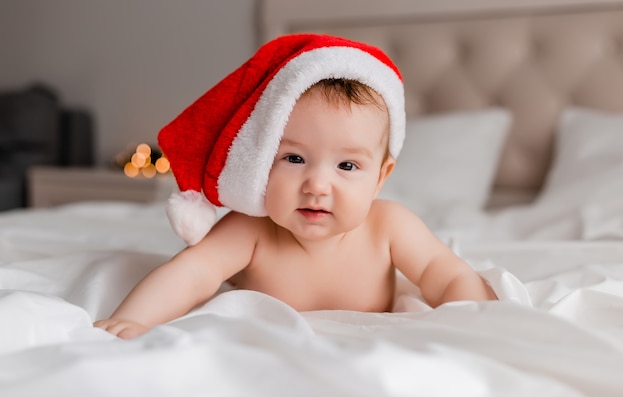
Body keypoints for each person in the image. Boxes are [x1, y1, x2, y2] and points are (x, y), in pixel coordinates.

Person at [94, 34, 496, 339]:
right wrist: (134, 319)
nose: (317, 184)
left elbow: (444, 274)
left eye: (347, 165)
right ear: (261, 162)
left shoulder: (390, 227)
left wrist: (477, 319)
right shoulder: (251, 229)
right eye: (294, 159)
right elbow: (192, 273)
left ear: (380, 177)